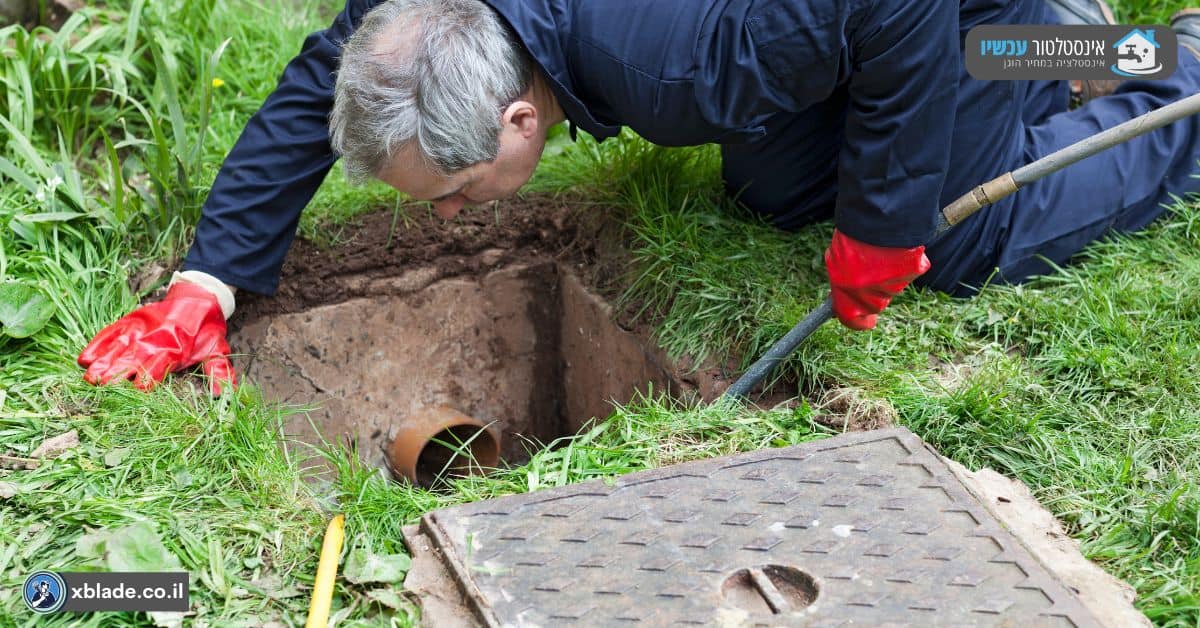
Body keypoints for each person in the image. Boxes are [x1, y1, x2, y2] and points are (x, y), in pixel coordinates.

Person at [77, 0, 1200, 395]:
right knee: (774, 184)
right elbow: (331, 74)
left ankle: (1171, 74)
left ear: (523, 122)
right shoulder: (431, 16)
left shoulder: (685, 66)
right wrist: (206, 280)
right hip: (835, 18)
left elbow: (889, 4)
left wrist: (883, 225)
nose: (452, 218)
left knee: (949, 238)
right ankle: (1065, 45)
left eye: (458, 196)